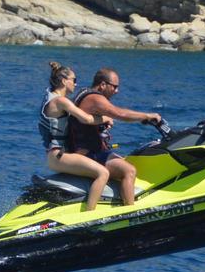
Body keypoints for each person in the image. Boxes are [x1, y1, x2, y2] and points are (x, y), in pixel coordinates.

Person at [67, 67, 162, 206]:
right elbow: (119, 113)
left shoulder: (84, 93)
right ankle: (130, 210)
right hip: (89, 154)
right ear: (103, 84)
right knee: (129, 170)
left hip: (94, 151)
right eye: (114, 87)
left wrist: (102, 123)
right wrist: (147, 116)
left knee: (125, 160)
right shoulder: (95, 98)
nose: (117, 91)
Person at [39, 61, 115, 211]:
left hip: (55, 155)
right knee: (103, 173)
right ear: (63, 81)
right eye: (74, 80)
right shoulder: (60, 101)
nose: (76, 83)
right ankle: (89, 214)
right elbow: (85, 118)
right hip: (59, 155)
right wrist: (105, 118)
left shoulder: (49, 96)